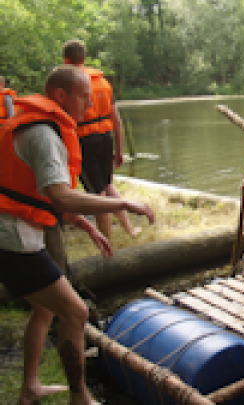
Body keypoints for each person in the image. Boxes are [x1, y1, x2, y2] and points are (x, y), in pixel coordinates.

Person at [0, 65, 154, 405]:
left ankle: (30, 388)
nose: (90, 105)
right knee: (76, 312)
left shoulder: (40, 125)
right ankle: (79, 397)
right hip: (14, 240)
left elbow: (35, 194)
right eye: (85, 97)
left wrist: (84, 224)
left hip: (14, 232)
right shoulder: (44, 134)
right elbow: (59, 195)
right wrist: (123, 202)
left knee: (44, 309)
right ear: (60, 95)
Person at [63, 39, 140, 241]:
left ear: (66, 60)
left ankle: (106, 241)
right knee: (108, 185)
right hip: (106, 138)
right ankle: (129, 229)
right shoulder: (102, 82)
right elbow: (117, 119)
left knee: (97, 194)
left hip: (84, 140)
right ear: (85, 58)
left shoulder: (70, 84)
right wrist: (120, 150)